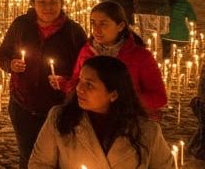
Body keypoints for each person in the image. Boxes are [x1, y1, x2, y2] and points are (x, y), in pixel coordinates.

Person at [0, 0, 87, 168]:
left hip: (60, 106)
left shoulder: (73, 31)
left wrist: (66, 81)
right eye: (42, 2)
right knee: (28, 156)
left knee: (58, 158)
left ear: (61, 3)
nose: (48, 8)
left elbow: (84, 67)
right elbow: (3, 54)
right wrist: (10, 64)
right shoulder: (21, 25)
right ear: (33, 4)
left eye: (53, 2)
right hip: (24, 104)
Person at [28, 56, 175, 169]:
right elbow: (40, 163)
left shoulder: (147, 131)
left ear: (113, 94)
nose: (79, 88)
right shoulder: (60, 118)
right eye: (80, 81)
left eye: (89, 85)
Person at [57, 1, 167, 119]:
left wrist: (124, 99)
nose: (96, 30)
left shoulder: (141, 56)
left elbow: (159, 98)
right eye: (93, 23)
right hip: (91, 119)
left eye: (103, 24)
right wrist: (64, 84)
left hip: (126, 120)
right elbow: (77, 82)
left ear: (120, 26)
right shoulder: (86, 51)